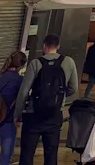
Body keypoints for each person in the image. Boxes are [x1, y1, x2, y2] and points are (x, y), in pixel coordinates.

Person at [16, 34, 78, 165]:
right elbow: (74, 88)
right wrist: (59, 97)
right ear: (58, 46)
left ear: (44, 46)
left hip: (34, 115)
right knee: (51, 154)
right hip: (55, 115)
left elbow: (24, 92)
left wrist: (18, 113)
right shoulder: (69, 62)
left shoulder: (35, 63)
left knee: (27, 154)